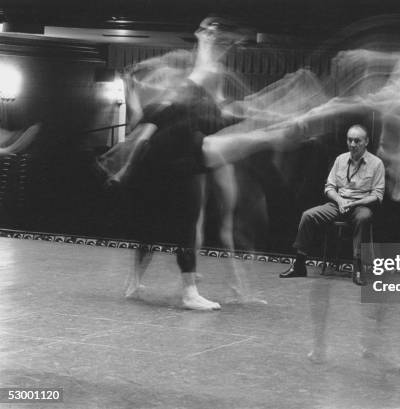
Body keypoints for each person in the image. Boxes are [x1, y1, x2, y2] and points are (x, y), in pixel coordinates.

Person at [100, 16, 306, 311]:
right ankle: (177, 289)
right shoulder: (171, 100)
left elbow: (221, 112)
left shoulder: (197, 98)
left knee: (179, 222)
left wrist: (273, 118)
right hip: (174, 159)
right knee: (170, 224)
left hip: (188, 155)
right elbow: (144, 131)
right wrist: (124, 167)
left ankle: (173, 287)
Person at [280, 124, 384, 285]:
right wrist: (340, 200)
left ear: (366, 142)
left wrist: (354, 203)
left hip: (360, 206)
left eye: (357, 141)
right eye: (350, 140)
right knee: (308, 216)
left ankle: (358, 269)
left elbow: (377, 196)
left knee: (364, 218)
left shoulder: (376, 163)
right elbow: (329, 187)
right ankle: (299, 264)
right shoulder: (340, 160)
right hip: (338, 204)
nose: (353, 144)